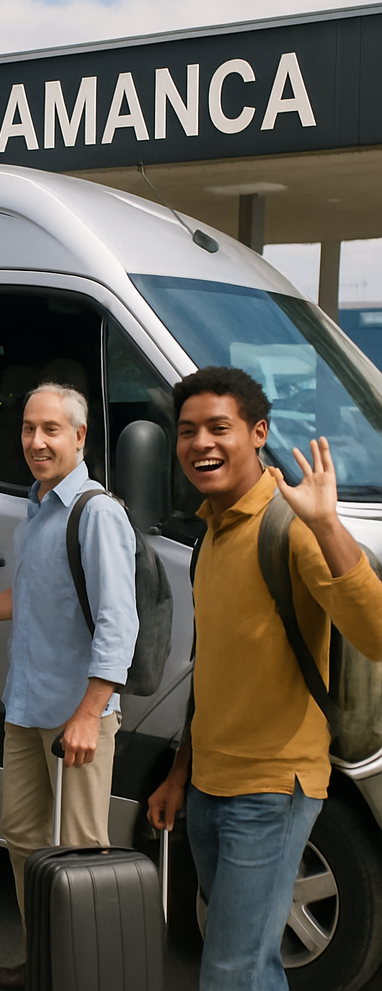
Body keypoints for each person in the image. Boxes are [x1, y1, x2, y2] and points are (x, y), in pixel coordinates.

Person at [147, 366, 382, 991]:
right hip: (208, 784)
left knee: (230, 968)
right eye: (189, 430)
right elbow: (212, 673)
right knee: (253, 963)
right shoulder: (212, 535)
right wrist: (180, 773)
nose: (202, 444)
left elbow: (377, 635)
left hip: (272, 787)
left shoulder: (292, 527)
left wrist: (328, 524)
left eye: (219, 428)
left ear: (258, 434)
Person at [0, 383, 139, 991]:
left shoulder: (96, 512)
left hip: (75, 713)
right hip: (26, 703)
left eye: (51, 430)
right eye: (29, 428)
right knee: (24, 839)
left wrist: (90, 711)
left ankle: (86, 975)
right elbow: (37, 596)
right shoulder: (36, 511)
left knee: (82, 852)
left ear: (79, 438)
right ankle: (48, 963)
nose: (36, 441)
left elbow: (118, 621)